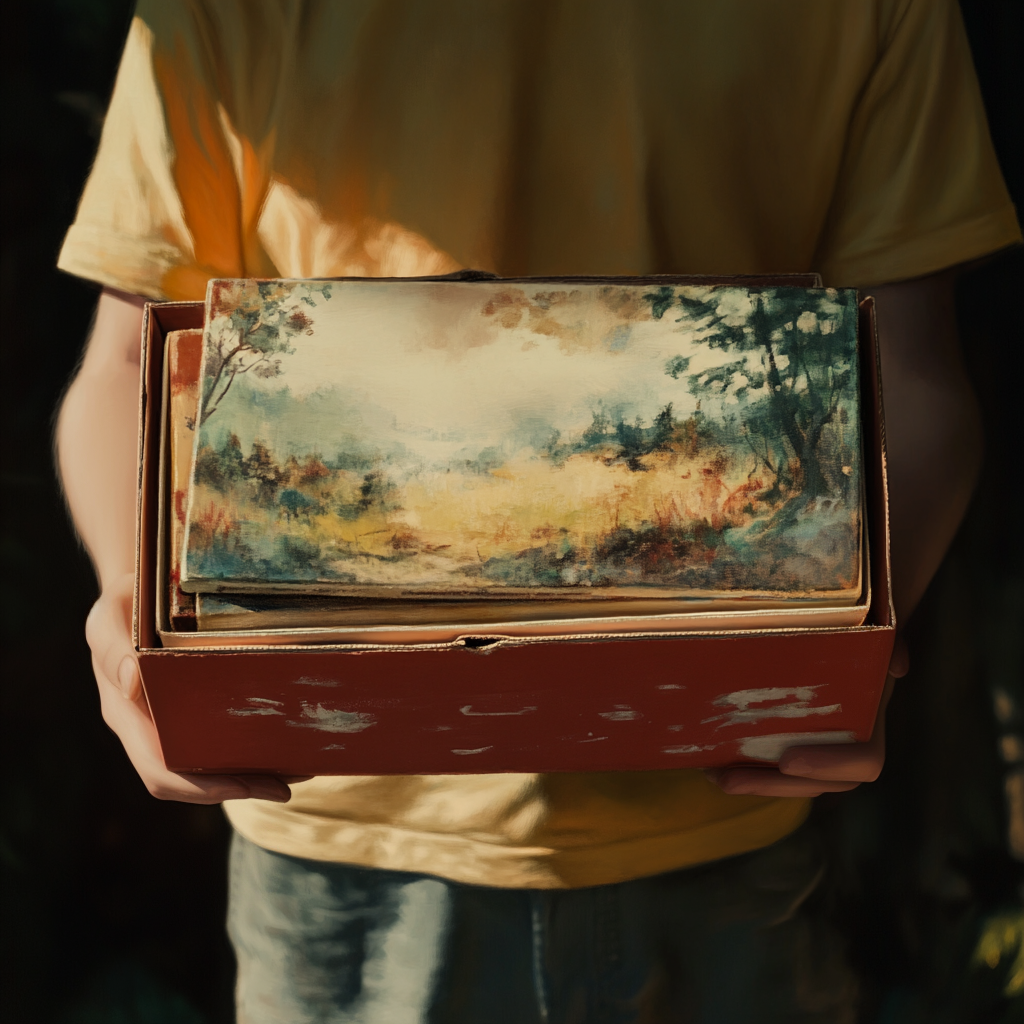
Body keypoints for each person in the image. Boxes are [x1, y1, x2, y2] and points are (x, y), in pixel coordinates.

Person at [56, 2, 1020, 1020]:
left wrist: (850, 642)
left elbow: (909, 374)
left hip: (728, 809)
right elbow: (130, 360)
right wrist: (133, 616)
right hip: (334, 810)